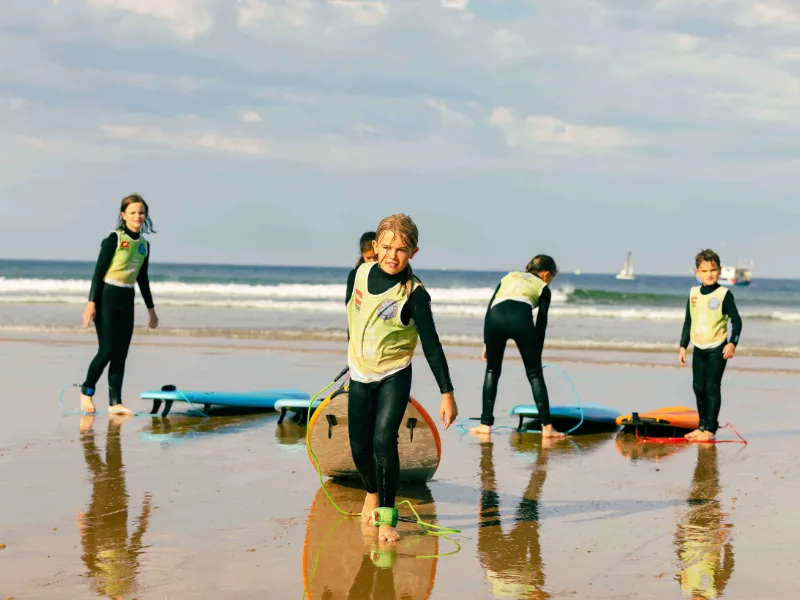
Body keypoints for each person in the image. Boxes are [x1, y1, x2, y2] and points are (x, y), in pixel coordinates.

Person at [345, 214, 458, 542]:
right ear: (374, 246)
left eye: (402, 249)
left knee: (383, 440)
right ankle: (371, 492)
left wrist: (447, 393)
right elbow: (354, 316)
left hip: (394, 374)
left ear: (414, 252)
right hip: (359, 373)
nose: (392, 255)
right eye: (386, 247)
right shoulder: (360, 273)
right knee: (359, 448)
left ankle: (387, 519)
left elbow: (433, 346)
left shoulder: (415, 294)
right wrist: (353, 354)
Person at [79, 194, 159, 415]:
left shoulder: (144, 245)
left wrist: (151, 309)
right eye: (132, 212)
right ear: (123, 215)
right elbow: (98, 272)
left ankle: (115, 403)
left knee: (121, 353)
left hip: (127, 298)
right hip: (107, 297)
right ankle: (86, 392)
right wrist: (91, 302)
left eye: (141, 213)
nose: (137, 216)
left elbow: (142, 277)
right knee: (106, 350)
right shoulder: (114, 239)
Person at [471, 255, 564, 439]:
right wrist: (537, 351)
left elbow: (490, 307)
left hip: (495, 319)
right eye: (552, 278)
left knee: (492, 370)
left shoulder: (509, 276)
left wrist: (486, 342)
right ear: (546, 275)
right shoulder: (543, 287)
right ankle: (547, 428)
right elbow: (541, 322)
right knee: (534, 373)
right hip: (520, 320)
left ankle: (485, 424)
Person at [679, 249, 742, 441]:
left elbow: (736, 321)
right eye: (704, 271)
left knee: (711, 388)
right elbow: (688, 321)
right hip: (699, 347)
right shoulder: (693, 293)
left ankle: (710, 430)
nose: (709, 274)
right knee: (698, 387)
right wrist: (683, 345)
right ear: (697, 272)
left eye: (713, 270)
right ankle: (702, 426)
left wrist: (732, 344)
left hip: (717, 348)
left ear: (720, 270)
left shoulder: (724, 294)